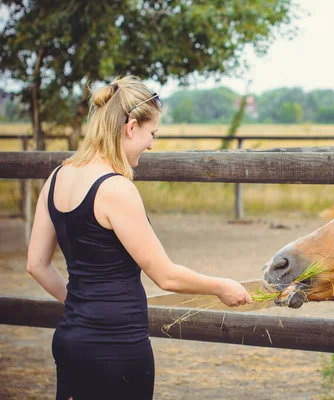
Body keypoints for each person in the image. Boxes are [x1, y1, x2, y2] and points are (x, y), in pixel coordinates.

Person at [25, 75, 252, 400]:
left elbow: (36, 264)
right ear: (131, 127)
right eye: (151, 134)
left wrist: (80, 306)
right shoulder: (116, 189)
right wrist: (222, 287)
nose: (151, 144)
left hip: (70, 340)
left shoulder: (58, 175)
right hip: (116, 347)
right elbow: (165, 275)